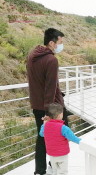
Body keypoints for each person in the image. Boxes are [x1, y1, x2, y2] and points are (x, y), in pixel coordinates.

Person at [26, 28, 68, 175]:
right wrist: (48, 113)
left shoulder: (32, 55)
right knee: (62, 134)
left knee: (42, 136)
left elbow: (37, 82)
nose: (61, 46)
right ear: (52, 42)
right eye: (60, 42)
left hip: (36, 104)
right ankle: (55, 165)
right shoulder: (51, 60)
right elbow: (50, 88)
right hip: (52, 107)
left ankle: (40, 170)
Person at [40, 103, 81, 175]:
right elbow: (72, 138)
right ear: (59, 115)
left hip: (52, 154)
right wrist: (81, 141)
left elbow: (41, 134)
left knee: (54, 171)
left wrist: (44, 123)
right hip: (62, 154)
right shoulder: (63, 128)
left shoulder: (45, 126)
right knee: (63, 172)